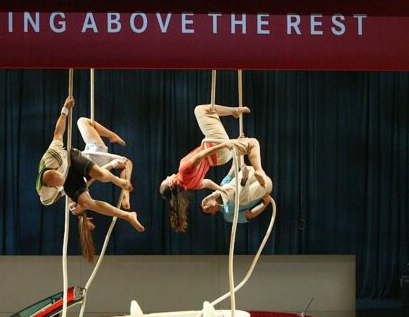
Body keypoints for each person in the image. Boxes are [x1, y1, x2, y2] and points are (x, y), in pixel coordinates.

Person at [36, 96, 144, 254]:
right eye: (75, 206)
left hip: (78, 158)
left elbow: (58, 132)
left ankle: (120, 184)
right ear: (52, 186)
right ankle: (127, 210)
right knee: (122, 164)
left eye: (71, 206)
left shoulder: (53, 155)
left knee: (83, 123)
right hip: (92, 159)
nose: (72, 204)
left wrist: (65, 110)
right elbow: (82, 190)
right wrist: (111, 166)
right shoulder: (50, 195)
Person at [159, 104, 269, 232]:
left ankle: (259, 170)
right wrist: (225, 145)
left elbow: (207, 183)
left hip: (221, 158)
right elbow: (201, 155)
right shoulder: (183, 171)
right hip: (215, 147)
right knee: (200, 110)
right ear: (171, 183)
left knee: (252, 144)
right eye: (166, 179)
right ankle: (234, 111)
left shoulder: (189, 185)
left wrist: (221, 189)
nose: (168, 176)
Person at [201, 164, 273, 223]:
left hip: (252, 173)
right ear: (213, 213)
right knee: (237, 199)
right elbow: (250, 214)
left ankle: (244, 179)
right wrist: (265, 203)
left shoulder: (222, 185)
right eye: (207, 209)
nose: (207, 206)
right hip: (263, 186)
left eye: (205, 203)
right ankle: (244, 181)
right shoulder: (228, 215)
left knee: (226, 188)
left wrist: (237, 154)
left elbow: (234, 167)